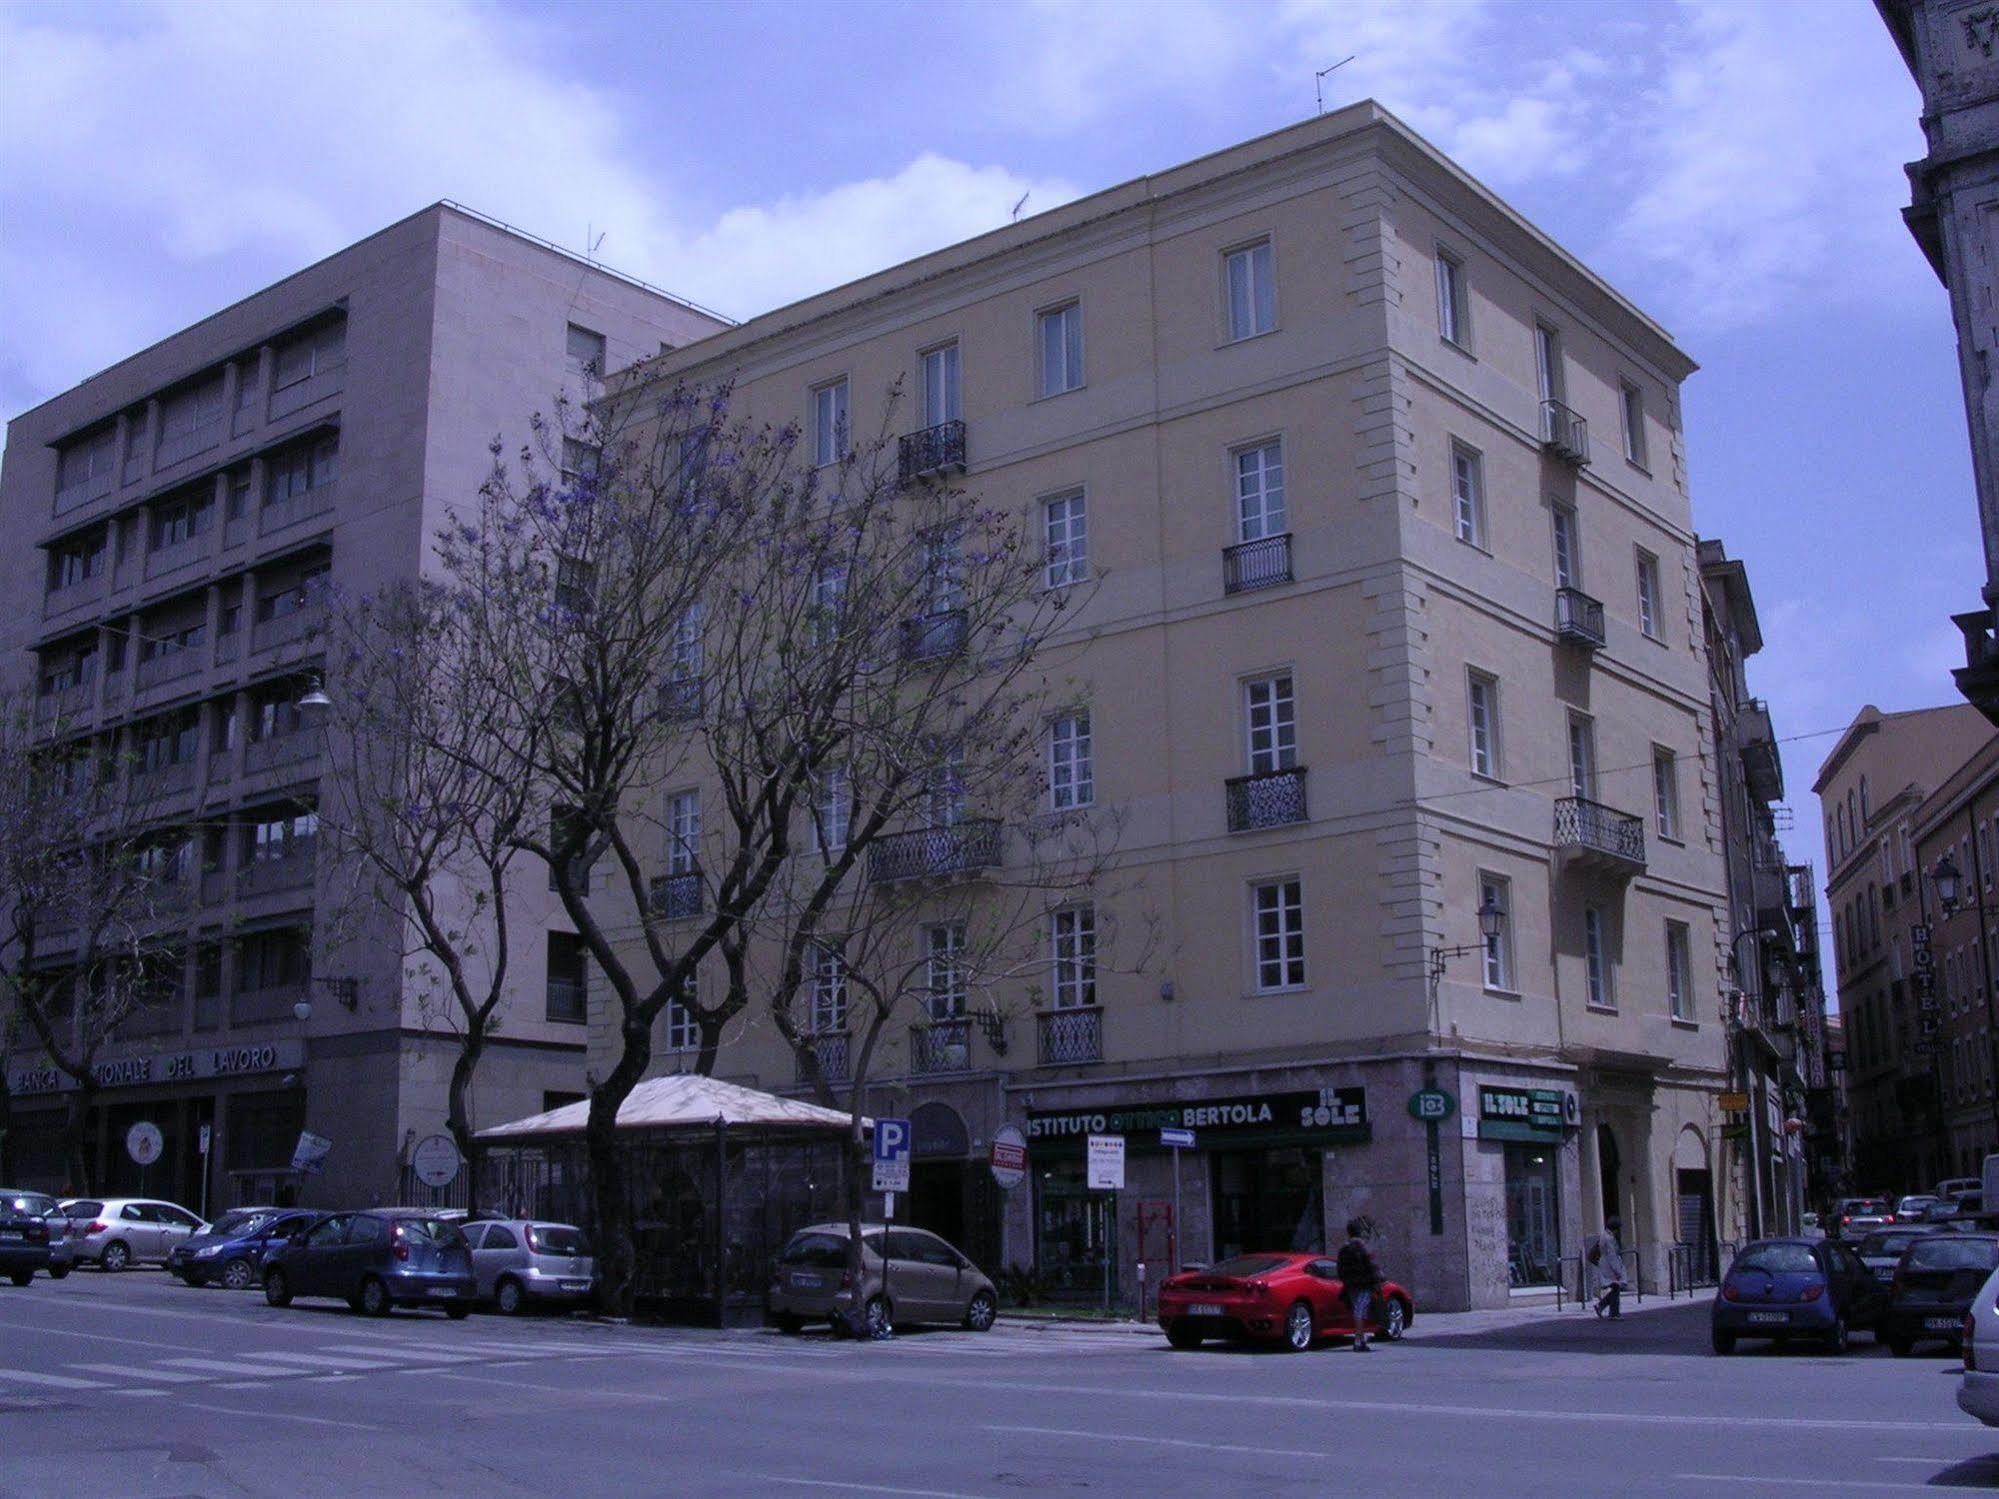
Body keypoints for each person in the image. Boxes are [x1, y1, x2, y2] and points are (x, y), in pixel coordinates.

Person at [1335, 1218, 1382, 1352]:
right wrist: (1376, 1282)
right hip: (1364, 1284)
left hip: (1351, 1284)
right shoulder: (1362, 1248)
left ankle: (1360, 1339)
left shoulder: (1344, 1248)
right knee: (1360, 1311)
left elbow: (1340, 1268)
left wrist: (1346, 1280)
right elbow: (1371, 1267)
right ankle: (1358, 1340)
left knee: (1358, 1309)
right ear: (1360, 1232)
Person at [1588, 1217, 1629, 1319]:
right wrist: (1618, 1271)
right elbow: (1612, 1256)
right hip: (1610, 1267)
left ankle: (1603, 1307)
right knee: (1616, 1287)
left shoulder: (1604, 1235)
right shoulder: (1609, 1238)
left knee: (1615, 1288)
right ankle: (1612, 1312)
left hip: (1604, 1265)